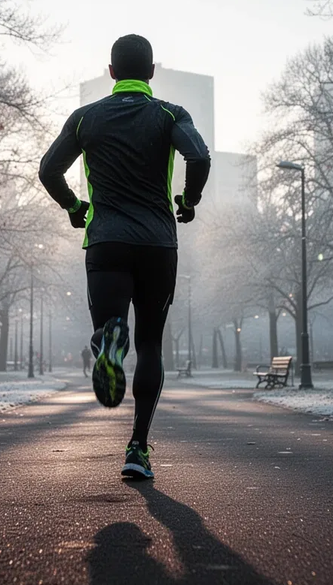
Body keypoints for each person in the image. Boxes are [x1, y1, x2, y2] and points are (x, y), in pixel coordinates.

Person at [39, 34, 211, 480]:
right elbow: (199, 156)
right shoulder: (170, 114)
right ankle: (137, 447)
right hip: (157, 245)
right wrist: (189, 200)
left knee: (109, 328)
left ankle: (108, 343)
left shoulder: (86, 118)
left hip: (107, 242)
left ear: (112, 72)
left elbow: (48, 169)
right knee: (151, 344)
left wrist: (74, 206)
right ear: (151, 72)